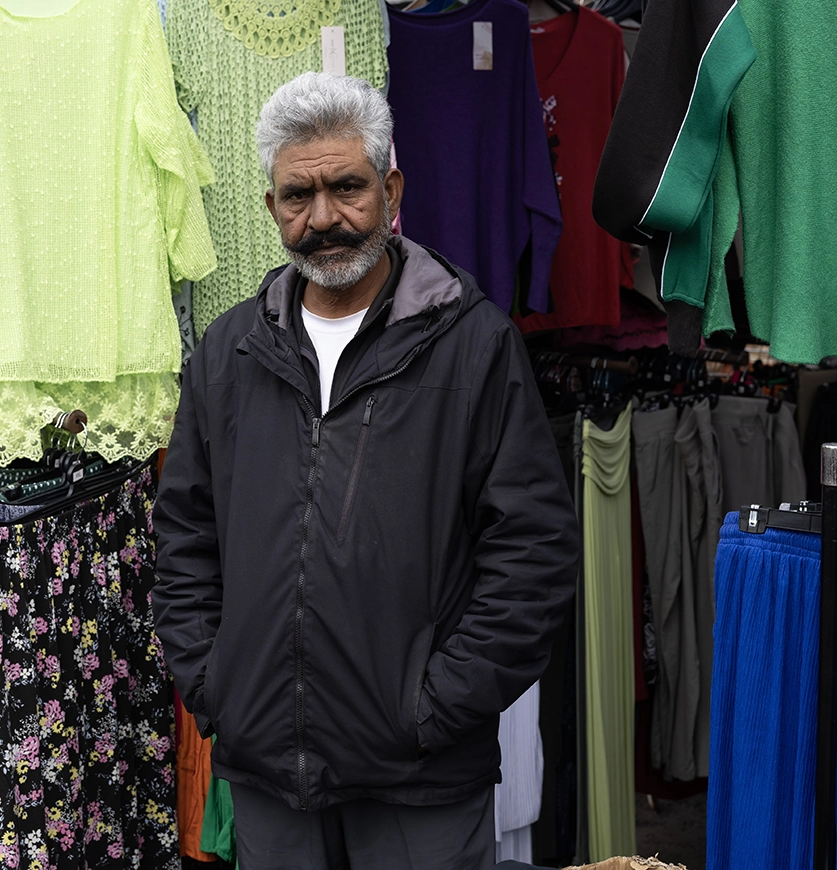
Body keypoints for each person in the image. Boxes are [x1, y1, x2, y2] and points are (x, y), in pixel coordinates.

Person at [151, 72, 579, 870]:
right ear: (270, 205)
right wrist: (219, 689)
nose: (323, 219)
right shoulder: (228, 355)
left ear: (391, 188)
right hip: (270, 773)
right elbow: (183, 539)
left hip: (419, 777)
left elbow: (533, 557)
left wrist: (432, 707)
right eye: (296, 196)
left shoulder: (472, 345)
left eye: (346, 188)